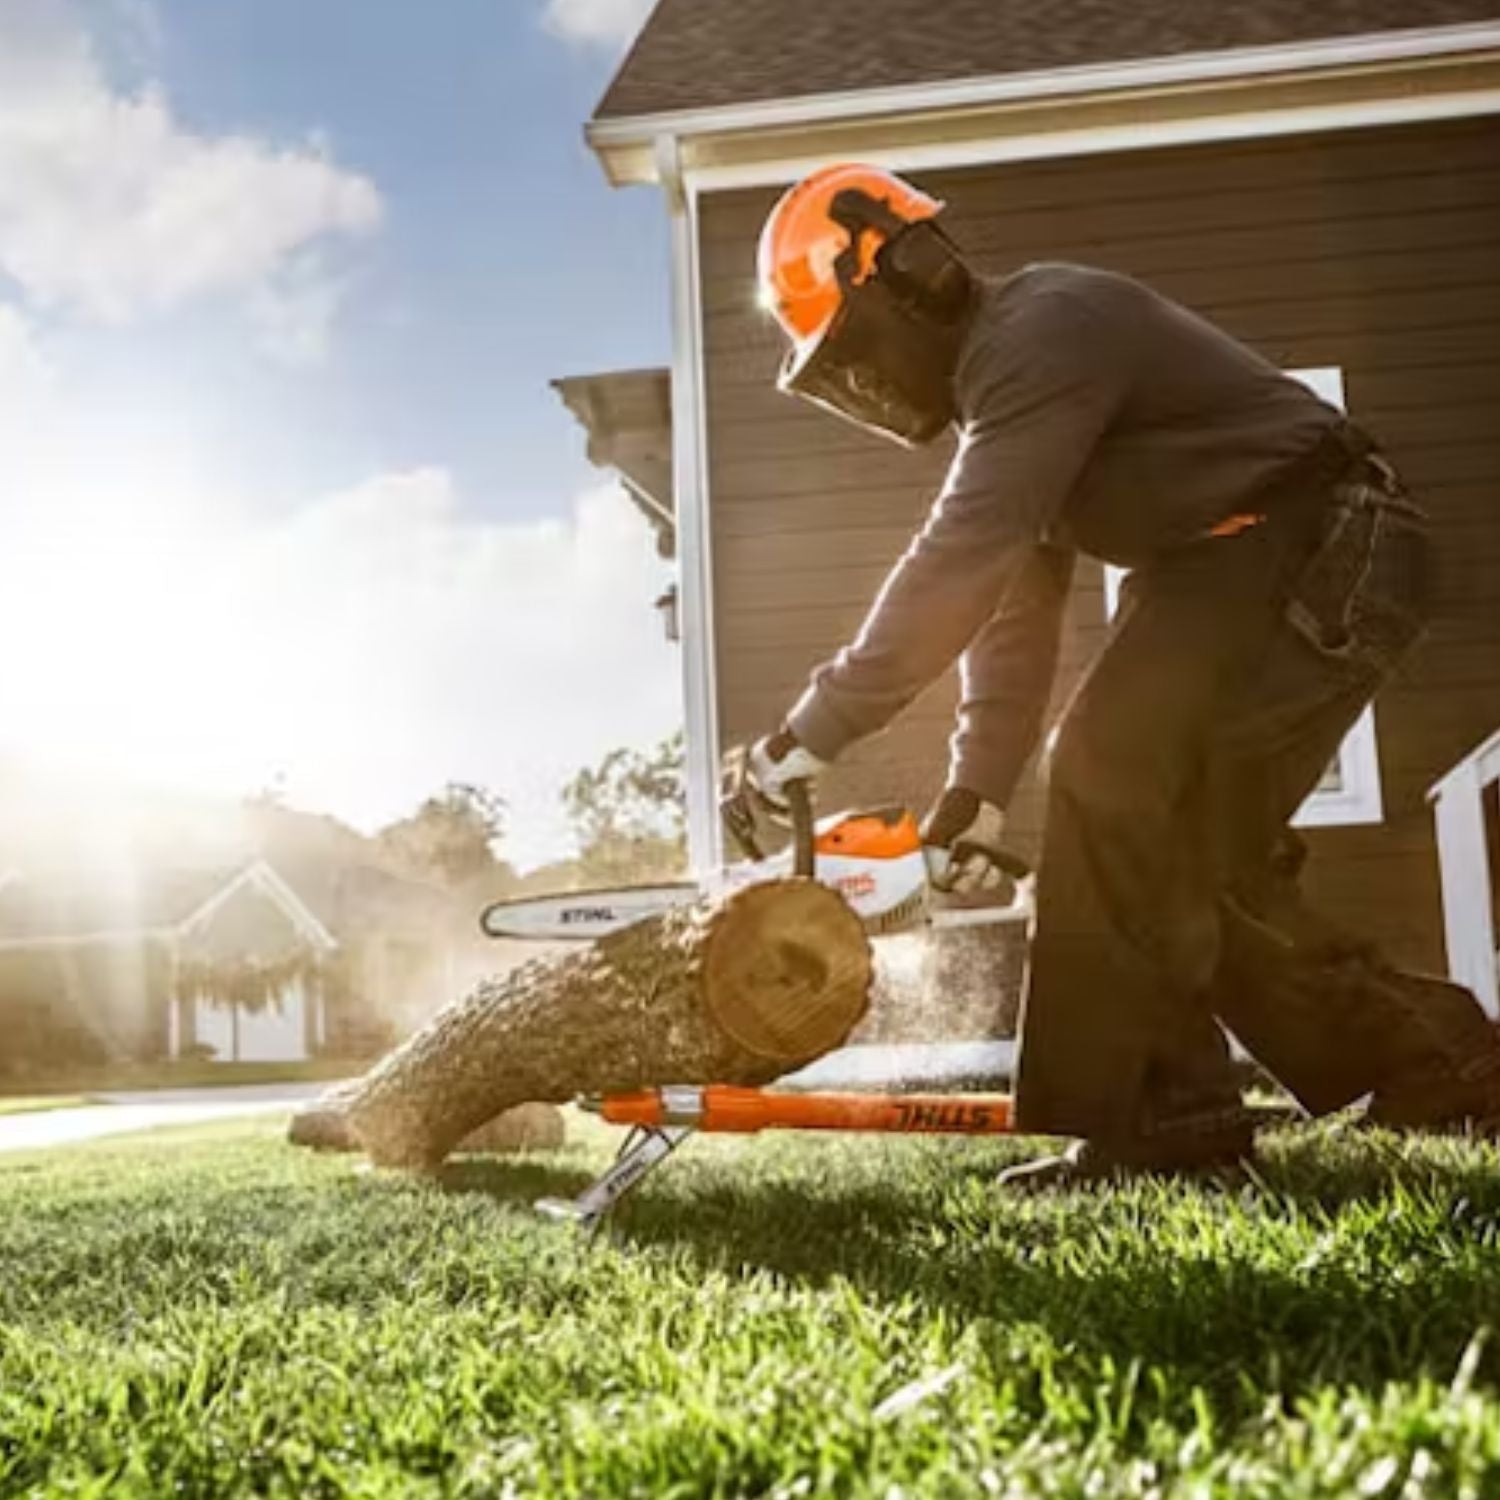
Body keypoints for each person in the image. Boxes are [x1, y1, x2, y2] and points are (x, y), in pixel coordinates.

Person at [743, 162, 1500, 1186]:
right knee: (1187, 855)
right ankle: (1445, 1071)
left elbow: (960, 561)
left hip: (1326, 538)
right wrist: (977, 798)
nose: (863, 379)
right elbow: (1012, 608)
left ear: (910, 278)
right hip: (1245, 555)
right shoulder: (1005, 400)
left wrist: (807, 735)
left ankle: (1162, 1128)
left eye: (853, 345)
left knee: (1111, 770)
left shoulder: (1043, 330)